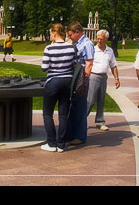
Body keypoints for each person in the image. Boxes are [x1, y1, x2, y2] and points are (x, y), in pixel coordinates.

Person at [38, 23, 78, 152]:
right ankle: (61, 143)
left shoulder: (49, 49)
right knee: (63, 114)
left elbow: (44, 69)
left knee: (48, 113)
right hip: (67, 82)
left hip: (53, 82)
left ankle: (51, 143)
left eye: (50, 33)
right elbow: (75, 64)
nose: (50, 35)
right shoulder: (71, 48)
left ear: (54, 33)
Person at [65, 23, 93, 148]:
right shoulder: (76, 43)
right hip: (74, 77)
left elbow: (89, 64)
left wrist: (83, 81)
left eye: (71, 35)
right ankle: (71, 134)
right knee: (73, 108)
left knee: (80, 108)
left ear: (77, 32)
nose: (70, 37)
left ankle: (80, 136)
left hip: (80, 78)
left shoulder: (87, 44)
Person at [86, 30, 121, 131]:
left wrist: (116, 78)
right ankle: (81, 120)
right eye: (98, 38)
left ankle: (100, 122)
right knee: (90, 100)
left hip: (103, 77)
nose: (99, 41)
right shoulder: (92, 49)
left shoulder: (109, 51)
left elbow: (113, 65)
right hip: (93, 77)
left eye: (101, 39)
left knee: (101, 100)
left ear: (106, 39)